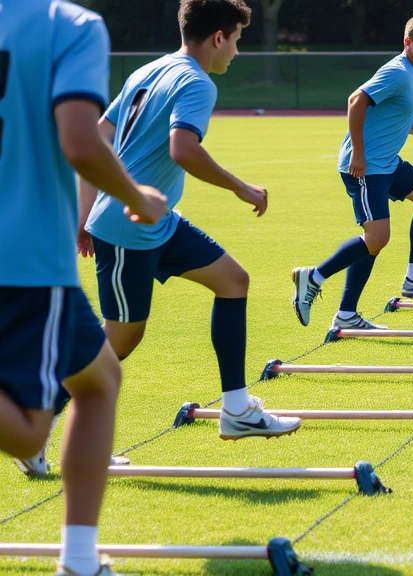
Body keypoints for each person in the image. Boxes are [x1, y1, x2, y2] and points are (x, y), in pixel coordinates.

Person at [79, 0, 301, 441]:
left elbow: (100, 135)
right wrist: (240, 186)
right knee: (119, 342)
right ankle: (35, 421)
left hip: (158, 221)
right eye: (236, 40)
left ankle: (237, 409)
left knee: (233, 280)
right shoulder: (198, 83)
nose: (236, 52)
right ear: (218, 37)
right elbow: (182, 148)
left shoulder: (149, 69)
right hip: (128, 229)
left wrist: (85, 213)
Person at [1, 2, 168, 574]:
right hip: (24, 257)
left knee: (99, 379)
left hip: (30, 260)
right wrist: (135, 196)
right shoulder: (69, 26)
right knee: (26, 435)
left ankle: (78, 560)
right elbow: (79, 141)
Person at [291, 13, 413, 333]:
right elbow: (356, 101)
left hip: (387, 163)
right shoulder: (397, 71)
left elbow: (398, 113)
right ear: (408, 43)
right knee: (377, 238)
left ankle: (410, 280)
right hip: (365, 167)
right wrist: (361, 155)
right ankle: (313, 277)